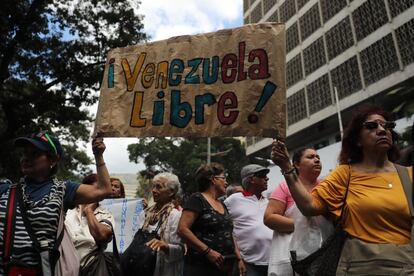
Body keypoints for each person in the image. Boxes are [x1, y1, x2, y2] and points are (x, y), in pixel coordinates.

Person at [271, 105, 414, 274]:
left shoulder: (408, 175)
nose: (382, 130)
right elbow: (310, 206)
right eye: (371, 126)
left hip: (405, 266)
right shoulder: (345, 174)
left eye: (387, 126)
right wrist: (286, 167)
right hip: (358, 267)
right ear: (357, 140)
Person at [0, 132, 112, 275]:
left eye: (34, 154)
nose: (26, 158)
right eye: (24, 153)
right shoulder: (5, 190)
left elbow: (104, 189)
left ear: (53, 160)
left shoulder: (63, 190)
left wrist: (98, 155)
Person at [263, 148, 333, 275]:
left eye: (318, 157)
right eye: (310, 157)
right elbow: (269, 218)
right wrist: (302, 226)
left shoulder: (327, 186)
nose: (317, 160)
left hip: (326, 253)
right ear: (296, 164)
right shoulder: (285, 187)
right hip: (295, 257)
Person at [178, 163, 245, 276]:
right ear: (213, 179)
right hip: (201, 267)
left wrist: (239, 258)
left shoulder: (222, 204)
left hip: (226, 266)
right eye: (223, 178)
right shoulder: (197, 199)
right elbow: (182, 229)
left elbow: (228, 233)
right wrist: (207, 251)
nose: (226, 182)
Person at [224, 164, 273, 276]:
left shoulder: (269, 201)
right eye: (262, 175)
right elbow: (226, 229)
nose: (267, 178)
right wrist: (238, 258)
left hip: (273, 262)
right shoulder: (233, 200)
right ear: (251, 179)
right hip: (249, 264)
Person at [132, 172, 184, 276]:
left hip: (164, 270)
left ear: (171, 192)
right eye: (153, 187)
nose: (154, 190)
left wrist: (165, 246)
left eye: (158, 187)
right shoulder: (145, 213)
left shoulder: (175, 216)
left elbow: (181, 250)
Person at [65, 174, 115, 266]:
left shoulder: (105, 215)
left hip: (90, 268)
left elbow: (102, 236)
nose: (101, 192)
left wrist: (89, 212)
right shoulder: (67, 210)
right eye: (98, 188)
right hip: (62, 268)